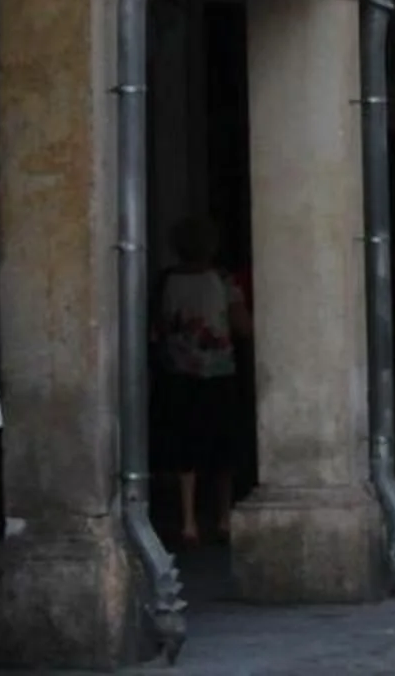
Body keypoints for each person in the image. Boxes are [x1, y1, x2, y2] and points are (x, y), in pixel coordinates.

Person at [156, 215, 251, 549]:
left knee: (185, 447)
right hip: (218, 372)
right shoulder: (223, 280)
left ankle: (188, 521)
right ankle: (224, 518)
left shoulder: (165, 280)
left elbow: (158, 324)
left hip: (178, 372)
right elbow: (242, 327)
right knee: (223, 448)